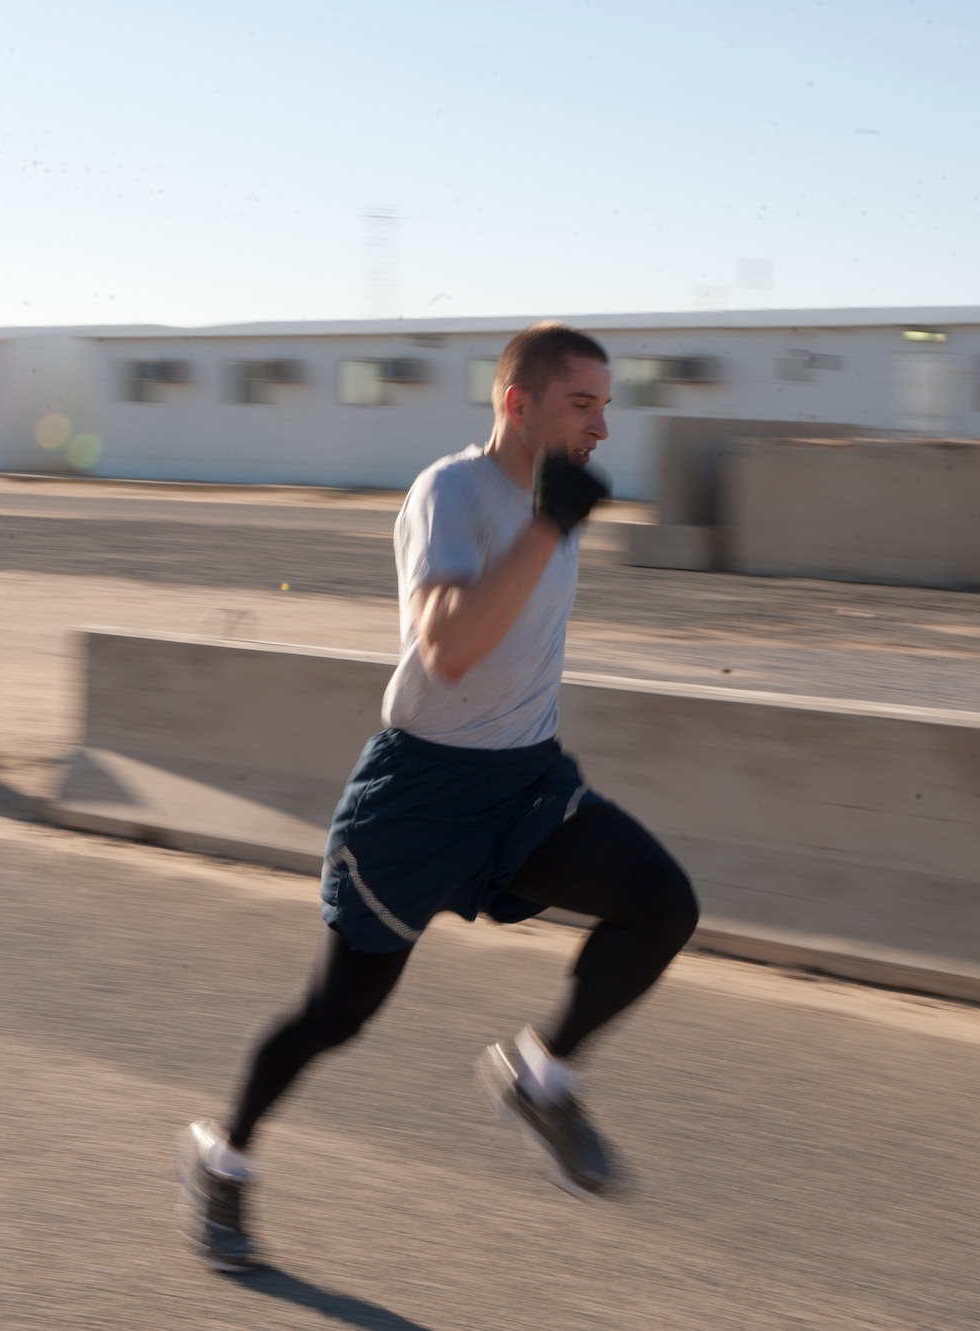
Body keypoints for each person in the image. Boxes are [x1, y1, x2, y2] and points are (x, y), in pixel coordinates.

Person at [180, 321, 699, 1274]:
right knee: (337, 1013)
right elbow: (450, 649)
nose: (602, 429)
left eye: (605, 407)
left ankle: (540, 1077)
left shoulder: (553, 499)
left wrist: (551, 517)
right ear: (518, 402)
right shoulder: (450, 492)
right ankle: (227, 1157)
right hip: (421, 792)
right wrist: (548, 524)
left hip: (526, 782)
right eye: (581, 404)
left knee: (663, 903)